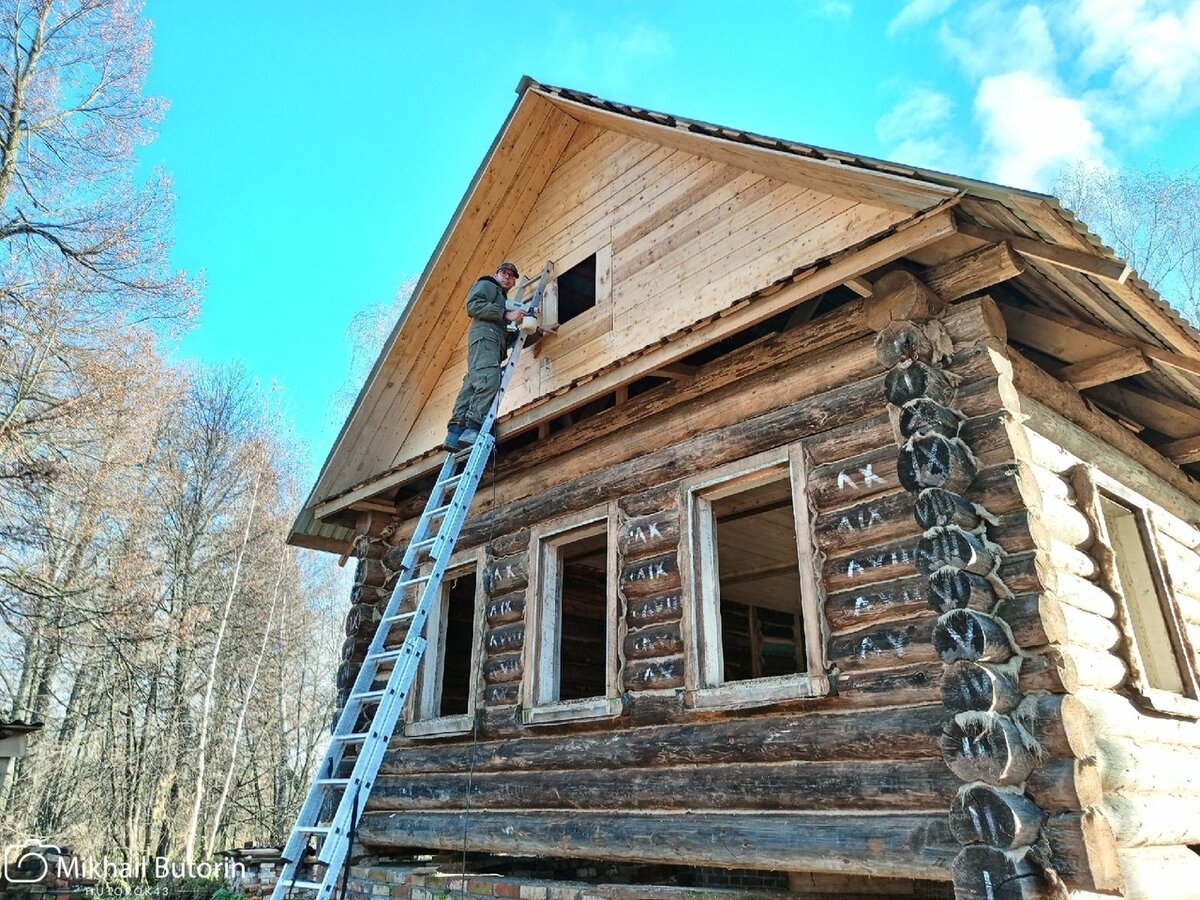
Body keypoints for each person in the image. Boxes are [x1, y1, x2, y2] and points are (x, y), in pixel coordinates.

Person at [443, 262, 525, 451]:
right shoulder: (488, 285)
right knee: (490, 380)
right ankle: (473, 427)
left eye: (511, 276)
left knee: (472, 384)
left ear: (513, 283)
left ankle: (455, 432)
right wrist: (506, 314)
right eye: (503, 273)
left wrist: (536, 330)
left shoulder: (500, 299)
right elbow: (474, 306)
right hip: (485, 337)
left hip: (490, 340)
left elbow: (509, 336)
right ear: (496, 275)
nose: (507, 277)